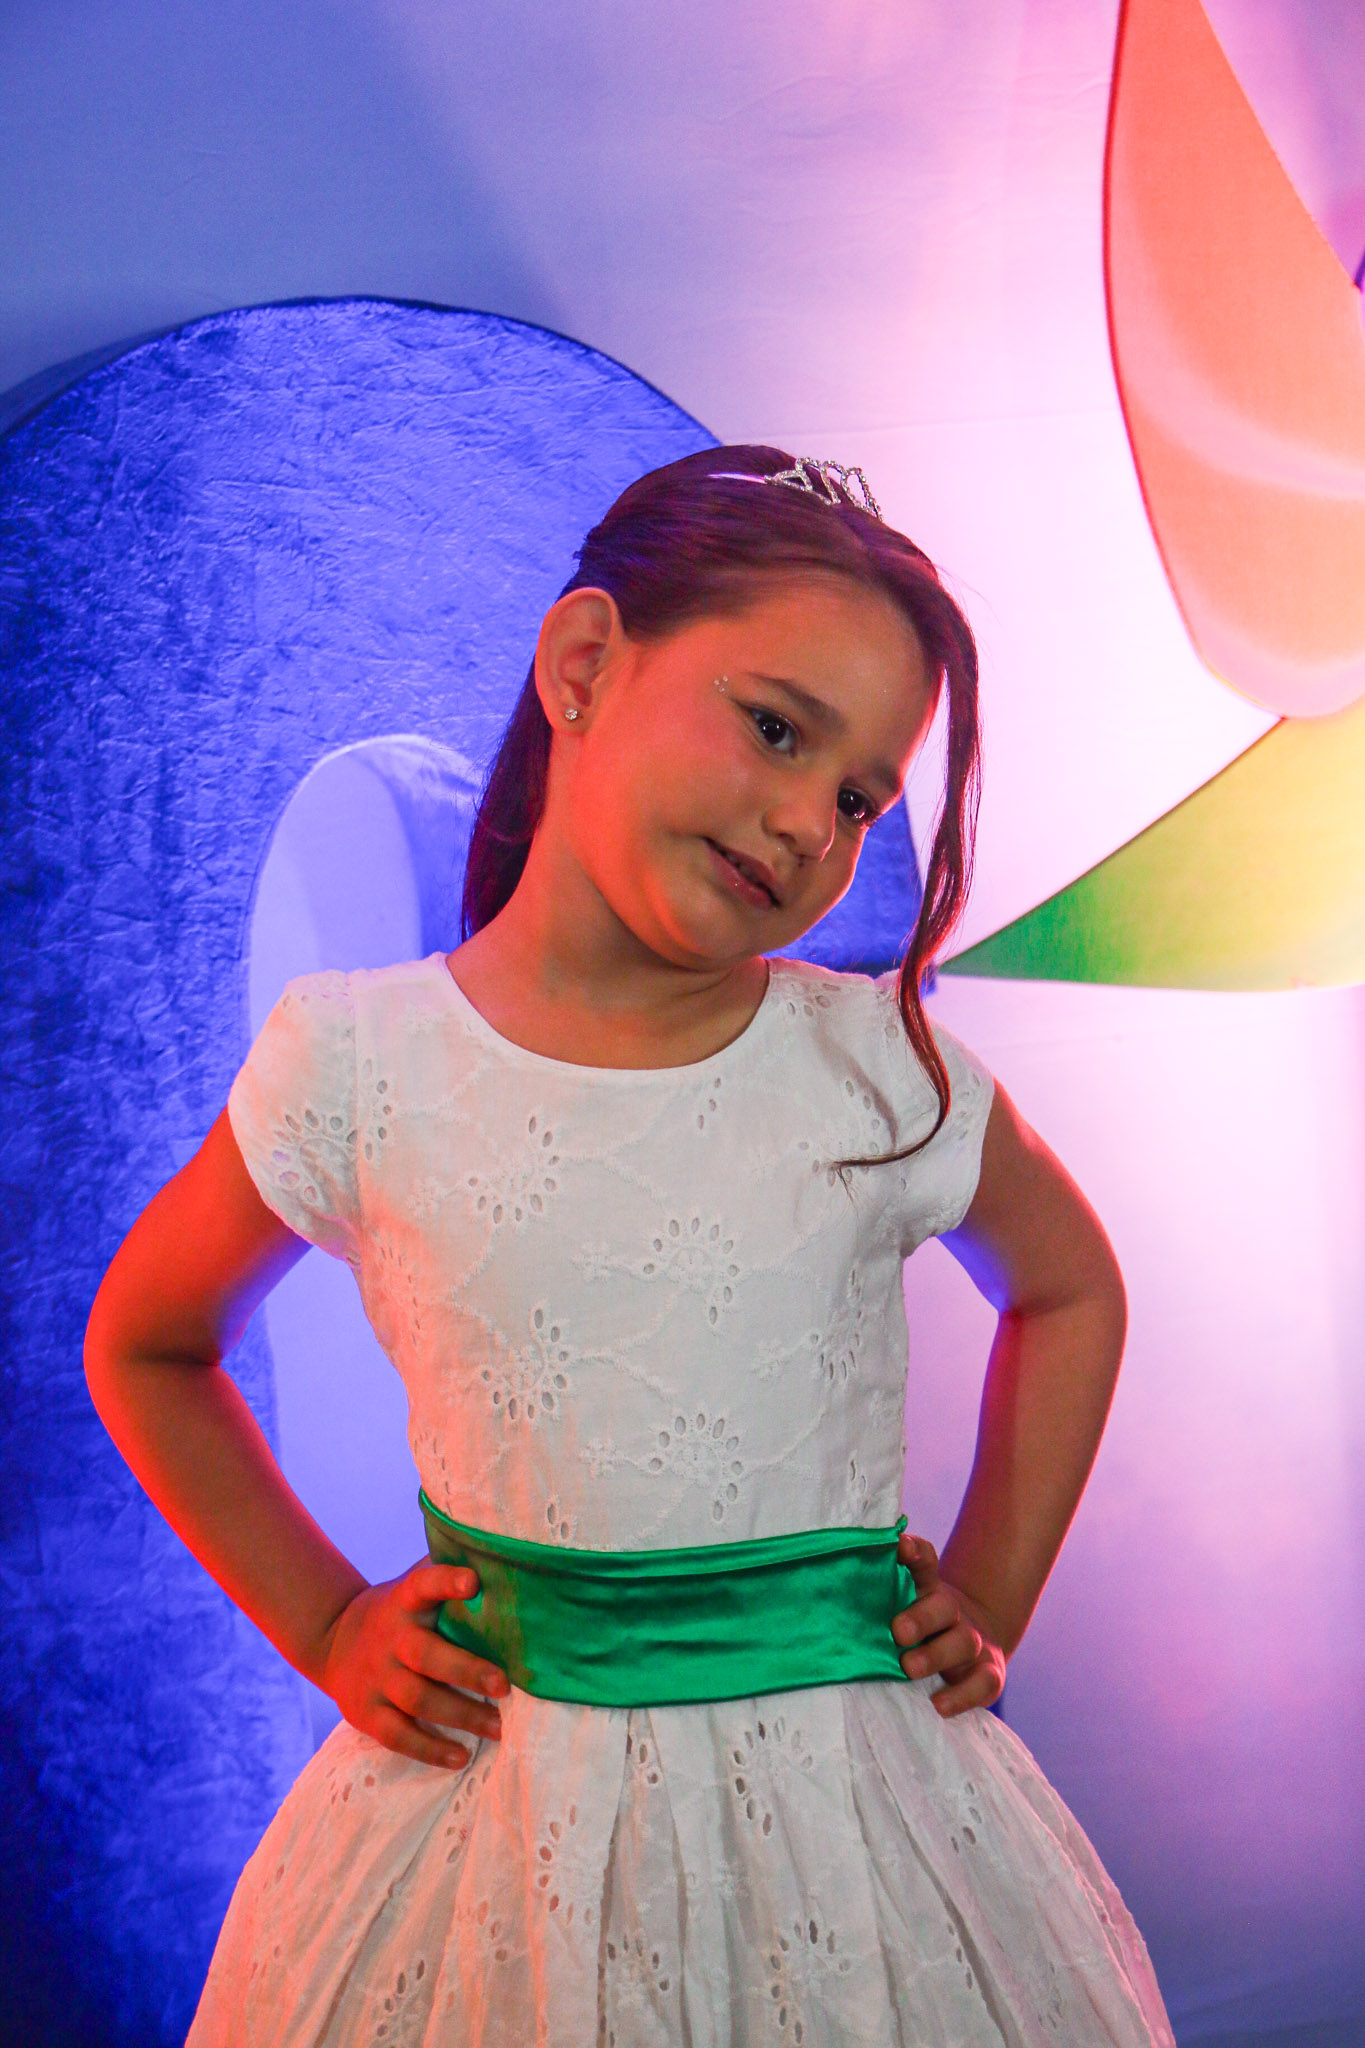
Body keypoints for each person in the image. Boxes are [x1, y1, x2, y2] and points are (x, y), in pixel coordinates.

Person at [85, 447, 1175, 2045]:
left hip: (850, 1818)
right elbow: (147, 1341)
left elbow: (1069, 1289)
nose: (807, 822)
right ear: (585, 664)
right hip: (499, 1817)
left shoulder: (876, 1068)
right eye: (777, 728)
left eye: (859, 798)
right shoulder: (364, 1064)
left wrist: (990, 1590)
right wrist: (324, 1624)